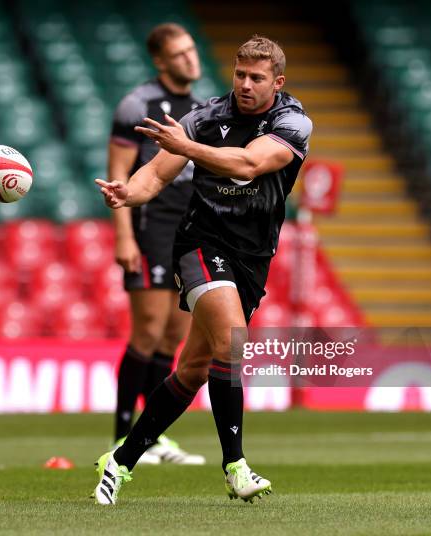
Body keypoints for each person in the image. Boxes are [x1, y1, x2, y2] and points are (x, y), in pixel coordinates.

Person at [94, 35, 312, 504]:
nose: (246, 85)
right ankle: (235, 466)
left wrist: (188, 148)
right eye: (240, 75)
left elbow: (251, 164)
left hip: (253, 257)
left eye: (257, 78)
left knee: (192, 369)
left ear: (277, 82)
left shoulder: (292, 122)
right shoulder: (204, 118)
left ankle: (119, 460)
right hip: (200, 242)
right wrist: (127, 193)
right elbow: (155, 174)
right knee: (231, 339)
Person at [108, 23, 205, 465]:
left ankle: (152, 438)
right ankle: (120, 435)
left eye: (191, 50)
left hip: (187, 225)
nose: (191, 58)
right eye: (180, 54)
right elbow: (119, 176)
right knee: (147, 331)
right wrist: (124, 235)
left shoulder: (204, 107)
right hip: (150, 224)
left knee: (172, 334)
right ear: (161, 61)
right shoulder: (137, 104)